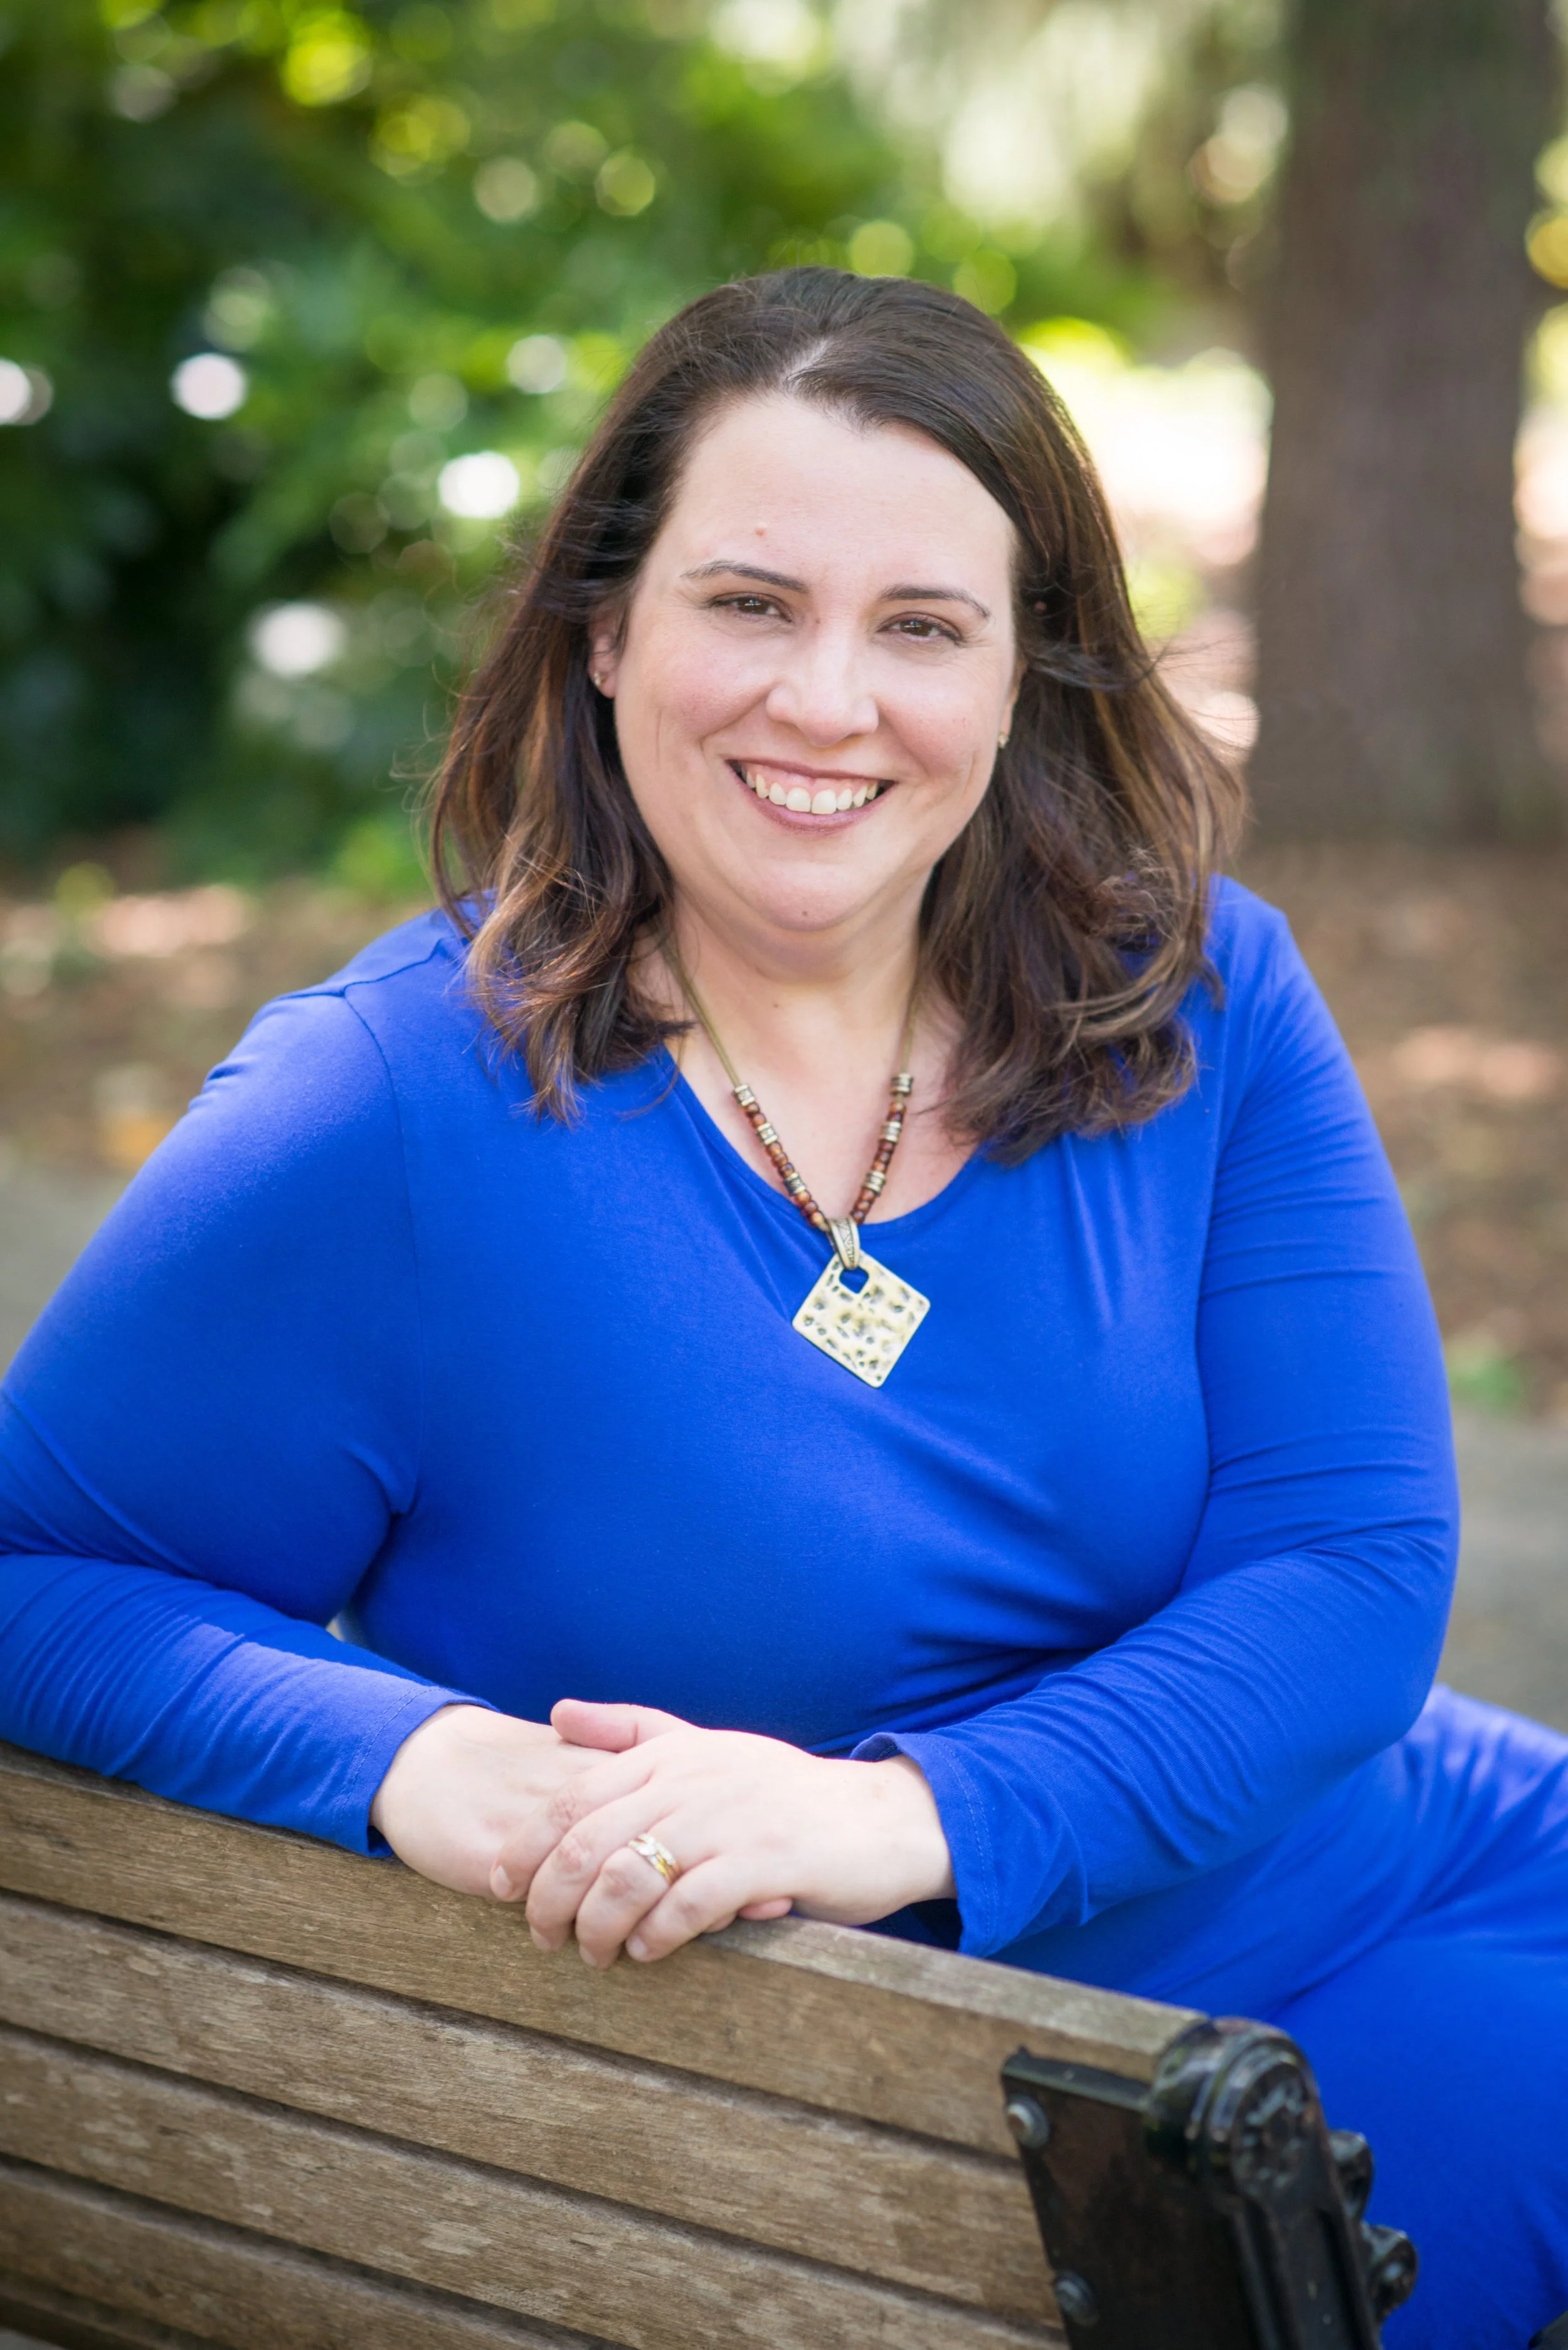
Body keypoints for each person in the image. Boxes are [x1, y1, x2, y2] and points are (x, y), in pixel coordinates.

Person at [1, 268, 1564, 2348]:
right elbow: (36, 1572)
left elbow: (1352, 1571)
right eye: (749, 603)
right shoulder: (381, 1109)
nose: (828, 703)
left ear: (1023, 680)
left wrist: (889, 1816)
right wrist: (411, 1758)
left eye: (921, 627)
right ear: (606, 630)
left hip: (1396, 1929)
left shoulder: (1193, 995)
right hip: (857, 2118)